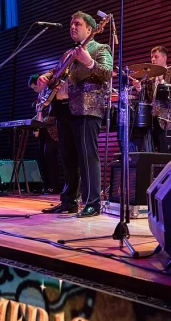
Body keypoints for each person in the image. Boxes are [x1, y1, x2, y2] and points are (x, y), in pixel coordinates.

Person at [36, 11, 112, 217]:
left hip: (87, 109)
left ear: (90, 29)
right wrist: (44, 77)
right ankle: (69, 201)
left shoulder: (100, 48)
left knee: (87, 156)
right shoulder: (68, 53)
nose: (72, 27)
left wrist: (89, 62)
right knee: (68, 158)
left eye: (77, 24)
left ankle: (92, 203)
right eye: (71, 24)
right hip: (63, 109)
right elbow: (55, 73)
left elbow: (107, 73)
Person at [131, 46, 171, 153]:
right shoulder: (150, 78)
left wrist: (162, 82)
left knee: (166, 154)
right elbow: (144, 99)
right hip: (151, 120)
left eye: (156, 57)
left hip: (166, 121)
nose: (153, 60)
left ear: (164, 58)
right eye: (151, 57)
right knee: (150, 154)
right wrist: (139, 88)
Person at [29, 74, 61, 193]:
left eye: (35, 87)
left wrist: (39, 122)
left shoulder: (51, 92)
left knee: (50, 157)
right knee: (42, 158)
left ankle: (54, 186)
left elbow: (53, 113)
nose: (35, 90)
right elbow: (40, 113)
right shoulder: (40, 95)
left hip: (53, 130)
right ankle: (46, 185)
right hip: (43, 129)